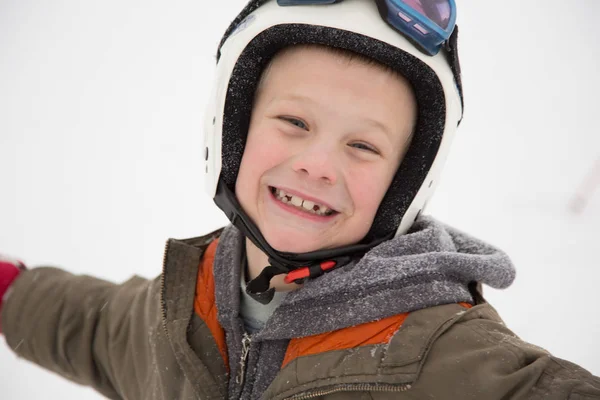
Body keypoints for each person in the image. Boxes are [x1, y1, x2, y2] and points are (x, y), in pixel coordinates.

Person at [2, 0, 600, 399]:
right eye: (293, 121)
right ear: (230, 130)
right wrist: (9, 290)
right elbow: (91, 324)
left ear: (406, 182)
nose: (318, 163)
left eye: (363, 145)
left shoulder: (449, 357)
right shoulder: (186, 308)